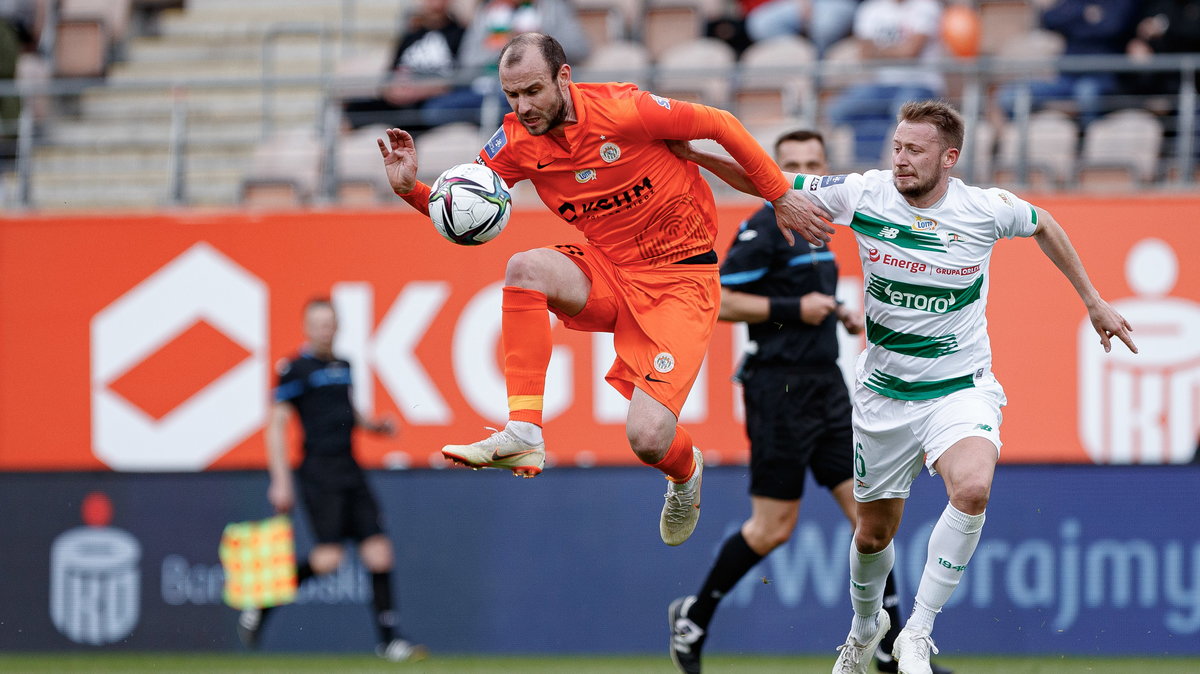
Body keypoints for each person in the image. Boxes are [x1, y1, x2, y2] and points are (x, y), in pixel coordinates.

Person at [669, 100, 1137, 674]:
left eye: (914, 151)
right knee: (870, 536)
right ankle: (866, 629)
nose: (900, 160)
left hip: (959, 388)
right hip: (883, 398)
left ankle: (917, 631)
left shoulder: (984, 209)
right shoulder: (865, 195)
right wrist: (697, 154)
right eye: (896, 147)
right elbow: (770, 181)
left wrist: (1092, 300)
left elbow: (1046, 224)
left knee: (971, 489)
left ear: (950, 158)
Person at [377, 32, 832, 547]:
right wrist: (412, 190)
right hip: (609, 269)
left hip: (681, 278)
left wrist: (780, 195)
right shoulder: (514, 142)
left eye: (532, 91)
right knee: (524, 267)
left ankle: (685, 475)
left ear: (564, 78)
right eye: (512, 96)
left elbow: (722, 125)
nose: (522, 107)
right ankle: (524, 431)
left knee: (647, 438)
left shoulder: (627, 109)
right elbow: (464, 211)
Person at [667, 130, 949, 674]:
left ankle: (890, 651)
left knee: (872, 519)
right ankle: (694, 617)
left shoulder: (821, 227)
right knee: (773, 527)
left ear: (825, 169)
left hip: (829, 387)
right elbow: (716, 301)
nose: (800, 170)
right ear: (776, 170)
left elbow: (808, 301)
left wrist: (837, 313)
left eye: (810, 162)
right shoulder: (763, 227)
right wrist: (797, 309)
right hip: (778, 390)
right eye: (790, 163)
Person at [237, 298, 426, 663]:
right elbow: (276, 426)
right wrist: (280, 481)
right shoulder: (294, 370)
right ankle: (263, 603)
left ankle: (389, 641)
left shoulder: (344, 366)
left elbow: (348, 411)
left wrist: (374, 426)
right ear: (307, 328)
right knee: (327, 561)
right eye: (318, 323)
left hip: (350, 469)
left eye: (330, 323)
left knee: (379, 552)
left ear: (337, 326)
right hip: (318, 472)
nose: (325, 329)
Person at [826, 0, 944, 165]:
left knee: (902, 115)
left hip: (919, 84)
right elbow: (865, 54)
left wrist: (879, 51)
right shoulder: (870, 9)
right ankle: (868, 171)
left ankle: (906, 170)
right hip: (879, 85)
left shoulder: (926, 6)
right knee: (839, 111)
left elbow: (910, 52)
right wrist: (899, 51)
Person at [342, 0, 483, 133]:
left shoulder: (460, 34)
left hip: (430, 102)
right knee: (353, 109)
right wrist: (393, 90)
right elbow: (390, 73)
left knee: (426, 113)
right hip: (399, 100)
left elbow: (459, 77)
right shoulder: (410, 35)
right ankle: (330, 154)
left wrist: (421, 90)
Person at [995, 0, 1140, 128]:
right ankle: (1020, 148)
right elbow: (1050, 18)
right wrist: (1085, 14)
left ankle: (1086, 148)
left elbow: (1112, 26)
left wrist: (1075, 19)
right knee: (1010, 96)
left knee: (1086, 94)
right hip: (1066, 79)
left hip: (1103, 79)